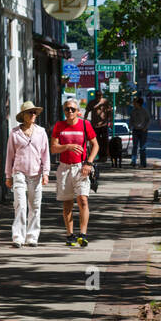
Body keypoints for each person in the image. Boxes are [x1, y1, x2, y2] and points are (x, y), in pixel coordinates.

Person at [50, 95, 98, 247]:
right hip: (64, 167)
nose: (69, 111)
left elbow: (95, 145)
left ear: (78, 111)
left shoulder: (85, 125)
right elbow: (53, 148)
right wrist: (67, 147)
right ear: (64, 111)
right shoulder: (59, 126)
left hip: (80, 167)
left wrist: (89, 163)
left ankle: (83, 234)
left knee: (83, 200)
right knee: (67, 204)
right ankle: (70, 235)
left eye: (72, 109)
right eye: (67, 109)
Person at [4, 100, 50, 247]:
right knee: (20, 204)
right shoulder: (15, 133)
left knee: (35, 206)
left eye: (34, 112)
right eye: (30, 112)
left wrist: (46, 173)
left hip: (36, 173)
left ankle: (32, 237)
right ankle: (18, 237)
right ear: (23, 115)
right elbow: (10, 155)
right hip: (19, 172)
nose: (33, 115)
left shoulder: (41, 132)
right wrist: (8, 175)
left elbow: (45, 154)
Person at [87, 92, 113, 164]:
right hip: (95, 125)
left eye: (100, 95)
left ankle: (104, 157)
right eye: (97, 95)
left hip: (104, 125)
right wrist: (84, 122)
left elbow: (110, 112)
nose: (98, 97)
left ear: (102, 96)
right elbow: (87, 111)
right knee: (96, 141)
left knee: (104, 141)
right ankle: (97, 156)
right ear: (95, 96)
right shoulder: (92, 102)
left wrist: (111, 121)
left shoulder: (105, 102)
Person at [129, 94, 150, 168]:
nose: (133, 104)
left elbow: (148, 120)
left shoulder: (144, 111)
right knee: (134, 146)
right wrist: (130, 126)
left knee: (142, 147)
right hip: (135, 130)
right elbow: (131, 120)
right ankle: (133, 161)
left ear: (138, 103)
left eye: (135, 102)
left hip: (143, 131)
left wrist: (145, 127)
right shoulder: (133, 111)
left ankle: (143, 163)